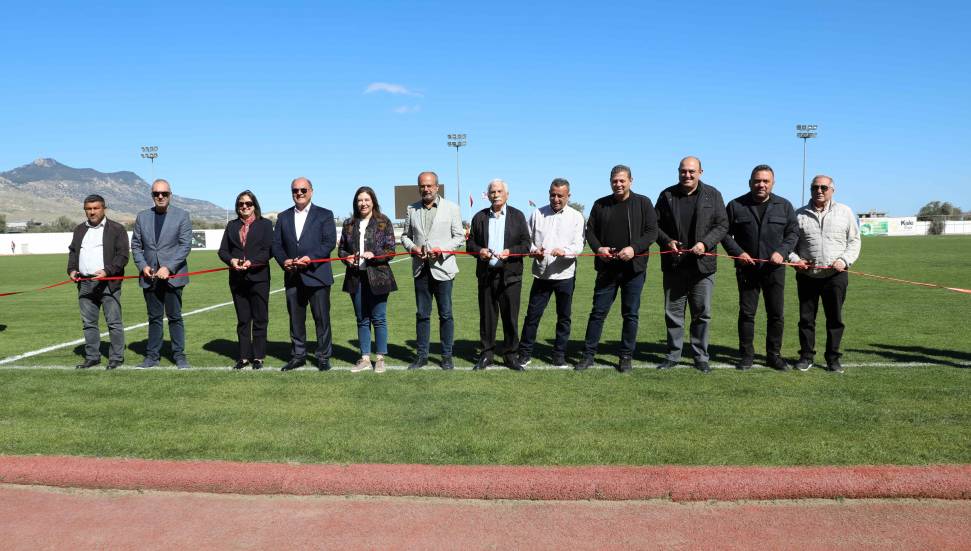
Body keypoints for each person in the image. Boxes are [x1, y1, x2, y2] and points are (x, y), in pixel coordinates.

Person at [577, 165, 658, 372]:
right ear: (610, 181)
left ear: (631, 180)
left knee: (630, 314)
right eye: (615, 181)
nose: (618, 184)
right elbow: (590, 232)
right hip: (607, 269)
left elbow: (652, 232)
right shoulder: (600, 204)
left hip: (634, 269)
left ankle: (625, 356)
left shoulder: (643, 203)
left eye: (622, 180)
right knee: (598, 313)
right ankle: (588, 355)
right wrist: (599, 248)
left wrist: (634, 248)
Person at [721, 165, 799, 371]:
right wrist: (739, 253)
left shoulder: (784, 206)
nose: (761, 184)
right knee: (747, 314)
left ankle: (774, 355)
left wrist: (782, 252)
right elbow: (724, 233)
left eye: (766, 181)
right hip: (747, 270)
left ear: (773, 183)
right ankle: (746, 355)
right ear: (750, 183)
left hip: (774, 270)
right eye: (757, 181)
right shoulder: (736, 205)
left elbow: (793, 234)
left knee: (776, 314)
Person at [654, 156, 728, 373]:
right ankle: (673, 355)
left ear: (700, 172)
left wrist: (705, 243)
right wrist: (667, 241)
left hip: (702, 267)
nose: (687, 175)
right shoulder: (667, 195)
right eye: (683, 171)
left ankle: (700, 356)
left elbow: (722, 225)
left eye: (691, 171)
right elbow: (653, 226)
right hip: (674, 265)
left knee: (701, 314)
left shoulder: (713, 195)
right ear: (678, 172)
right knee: (673, 313)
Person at [788, 175, 861, 374]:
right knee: (806, 319)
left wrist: (844, 261)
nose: (819, 191)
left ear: (832, 190)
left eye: (823, 187)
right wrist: (796, 260)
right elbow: (789, 245)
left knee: (835, 319)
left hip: (835, 276)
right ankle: (806, 356)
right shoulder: (799, 214)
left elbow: (854, 242)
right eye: (815, 187)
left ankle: (833, 358)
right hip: (807, 276)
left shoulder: (845, 212)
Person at [516, 178, 585, 370]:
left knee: (563, 317)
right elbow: (525, 240)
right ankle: (524, 354)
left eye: (560, 196)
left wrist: (565, 251)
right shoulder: (537, 213)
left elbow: (579, 245)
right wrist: (533, 250)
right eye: (552, 194)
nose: (556, 199)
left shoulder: (576, 217)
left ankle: (558, 356)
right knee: (532, 316)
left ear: (568, 196)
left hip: (565, 275)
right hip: (541, 275)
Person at [400, 171, 465, 370]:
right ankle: (422, 356)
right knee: (422, 314)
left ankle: (446, 356)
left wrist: (442, 250)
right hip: (421, 269)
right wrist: (413, 248)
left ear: (437, 187)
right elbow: (405, 236)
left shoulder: (452, 208)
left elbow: (459, 237)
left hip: (443, 269)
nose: (426, 189)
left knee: (445, 314)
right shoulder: (412, 209)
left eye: (429, 185)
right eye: (422, 186)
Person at [272, 177, 337, 372]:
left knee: (321, 318)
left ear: (311, 191)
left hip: (317, 275)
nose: (299, 193)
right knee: (296, 319)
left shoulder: (325, 214)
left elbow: (329, 243)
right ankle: (298, 355)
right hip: (293, 277)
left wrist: (310, 257)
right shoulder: (283, 217)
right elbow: (276, 245)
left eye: (303, 190)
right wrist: (284, 261)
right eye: (295, 190)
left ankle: (323, 356)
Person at [467, 179, 531, 370]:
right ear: (488, 195)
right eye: (492, 192)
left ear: (507, 195)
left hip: (510, 276)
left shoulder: (517, 216)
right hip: (486, 275)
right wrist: (480, 251)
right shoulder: (479, 217)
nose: (495, 195)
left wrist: (510, 251)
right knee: (487, 317)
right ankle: (487, 354)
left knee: (510, 317)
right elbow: (470, 245)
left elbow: (526, 245)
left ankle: (510, 355)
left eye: (499, 191)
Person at [131, 179, 193, 369]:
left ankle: (179, 356)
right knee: (154, 318)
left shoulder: (182, 215)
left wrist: (168, 267)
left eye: (164, 193)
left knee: (175, 317)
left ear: (170, 195)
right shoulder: (142, 217)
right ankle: (152, 356)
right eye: (156, 193)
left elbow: (185, 246)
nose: (160, 196)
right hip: (150, 278)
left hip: (173, 277)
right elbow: (136, 246)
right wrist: (143, 266)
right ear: (152, 195)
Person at [338, 186, 397, 373]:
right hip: (356, 277)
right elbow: (341, 249)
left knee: (378, 318)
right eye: (360, 200)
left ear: (373, 201)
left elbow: (391, 250)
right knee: (362, 319)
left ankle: (379, 358)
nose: (363, 203)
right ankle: (364, 358)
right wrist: (346, 257)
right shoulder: (349, 223)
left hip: (379, 277)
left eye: (366, 200)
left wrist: (375, 254)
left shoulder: (383, 221)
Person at [67, 194, 129, 370]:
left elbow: (123, 255)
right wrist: (71, 270)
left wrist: (107, 271)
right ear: (85, 210)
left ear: (104, 209)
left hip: (108, 283)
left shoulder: (117, 229)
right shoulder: (79, 230)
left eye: (96, 208)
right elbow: (72, 252)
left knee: (114, 322)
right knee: (88, 323)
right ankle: (92, 356)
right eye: (89, 209)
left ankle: (116, 357)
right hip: (85, 283)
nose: (92, 212)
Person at [218, 190, 273, 370]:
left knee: (260, 318)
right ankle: (243, 356)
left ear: (254, 205)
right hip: (237, 279)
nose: (244, 207)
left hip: (259, 278)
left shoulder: (265, 225)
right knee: (243, 319)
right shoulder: (232, 226)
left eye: (248, 204)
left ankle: (258, 356)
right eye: (241, 204)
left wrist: (252, 262)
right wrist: (232, 260)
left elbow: (268, 251)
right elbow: (223, 251)